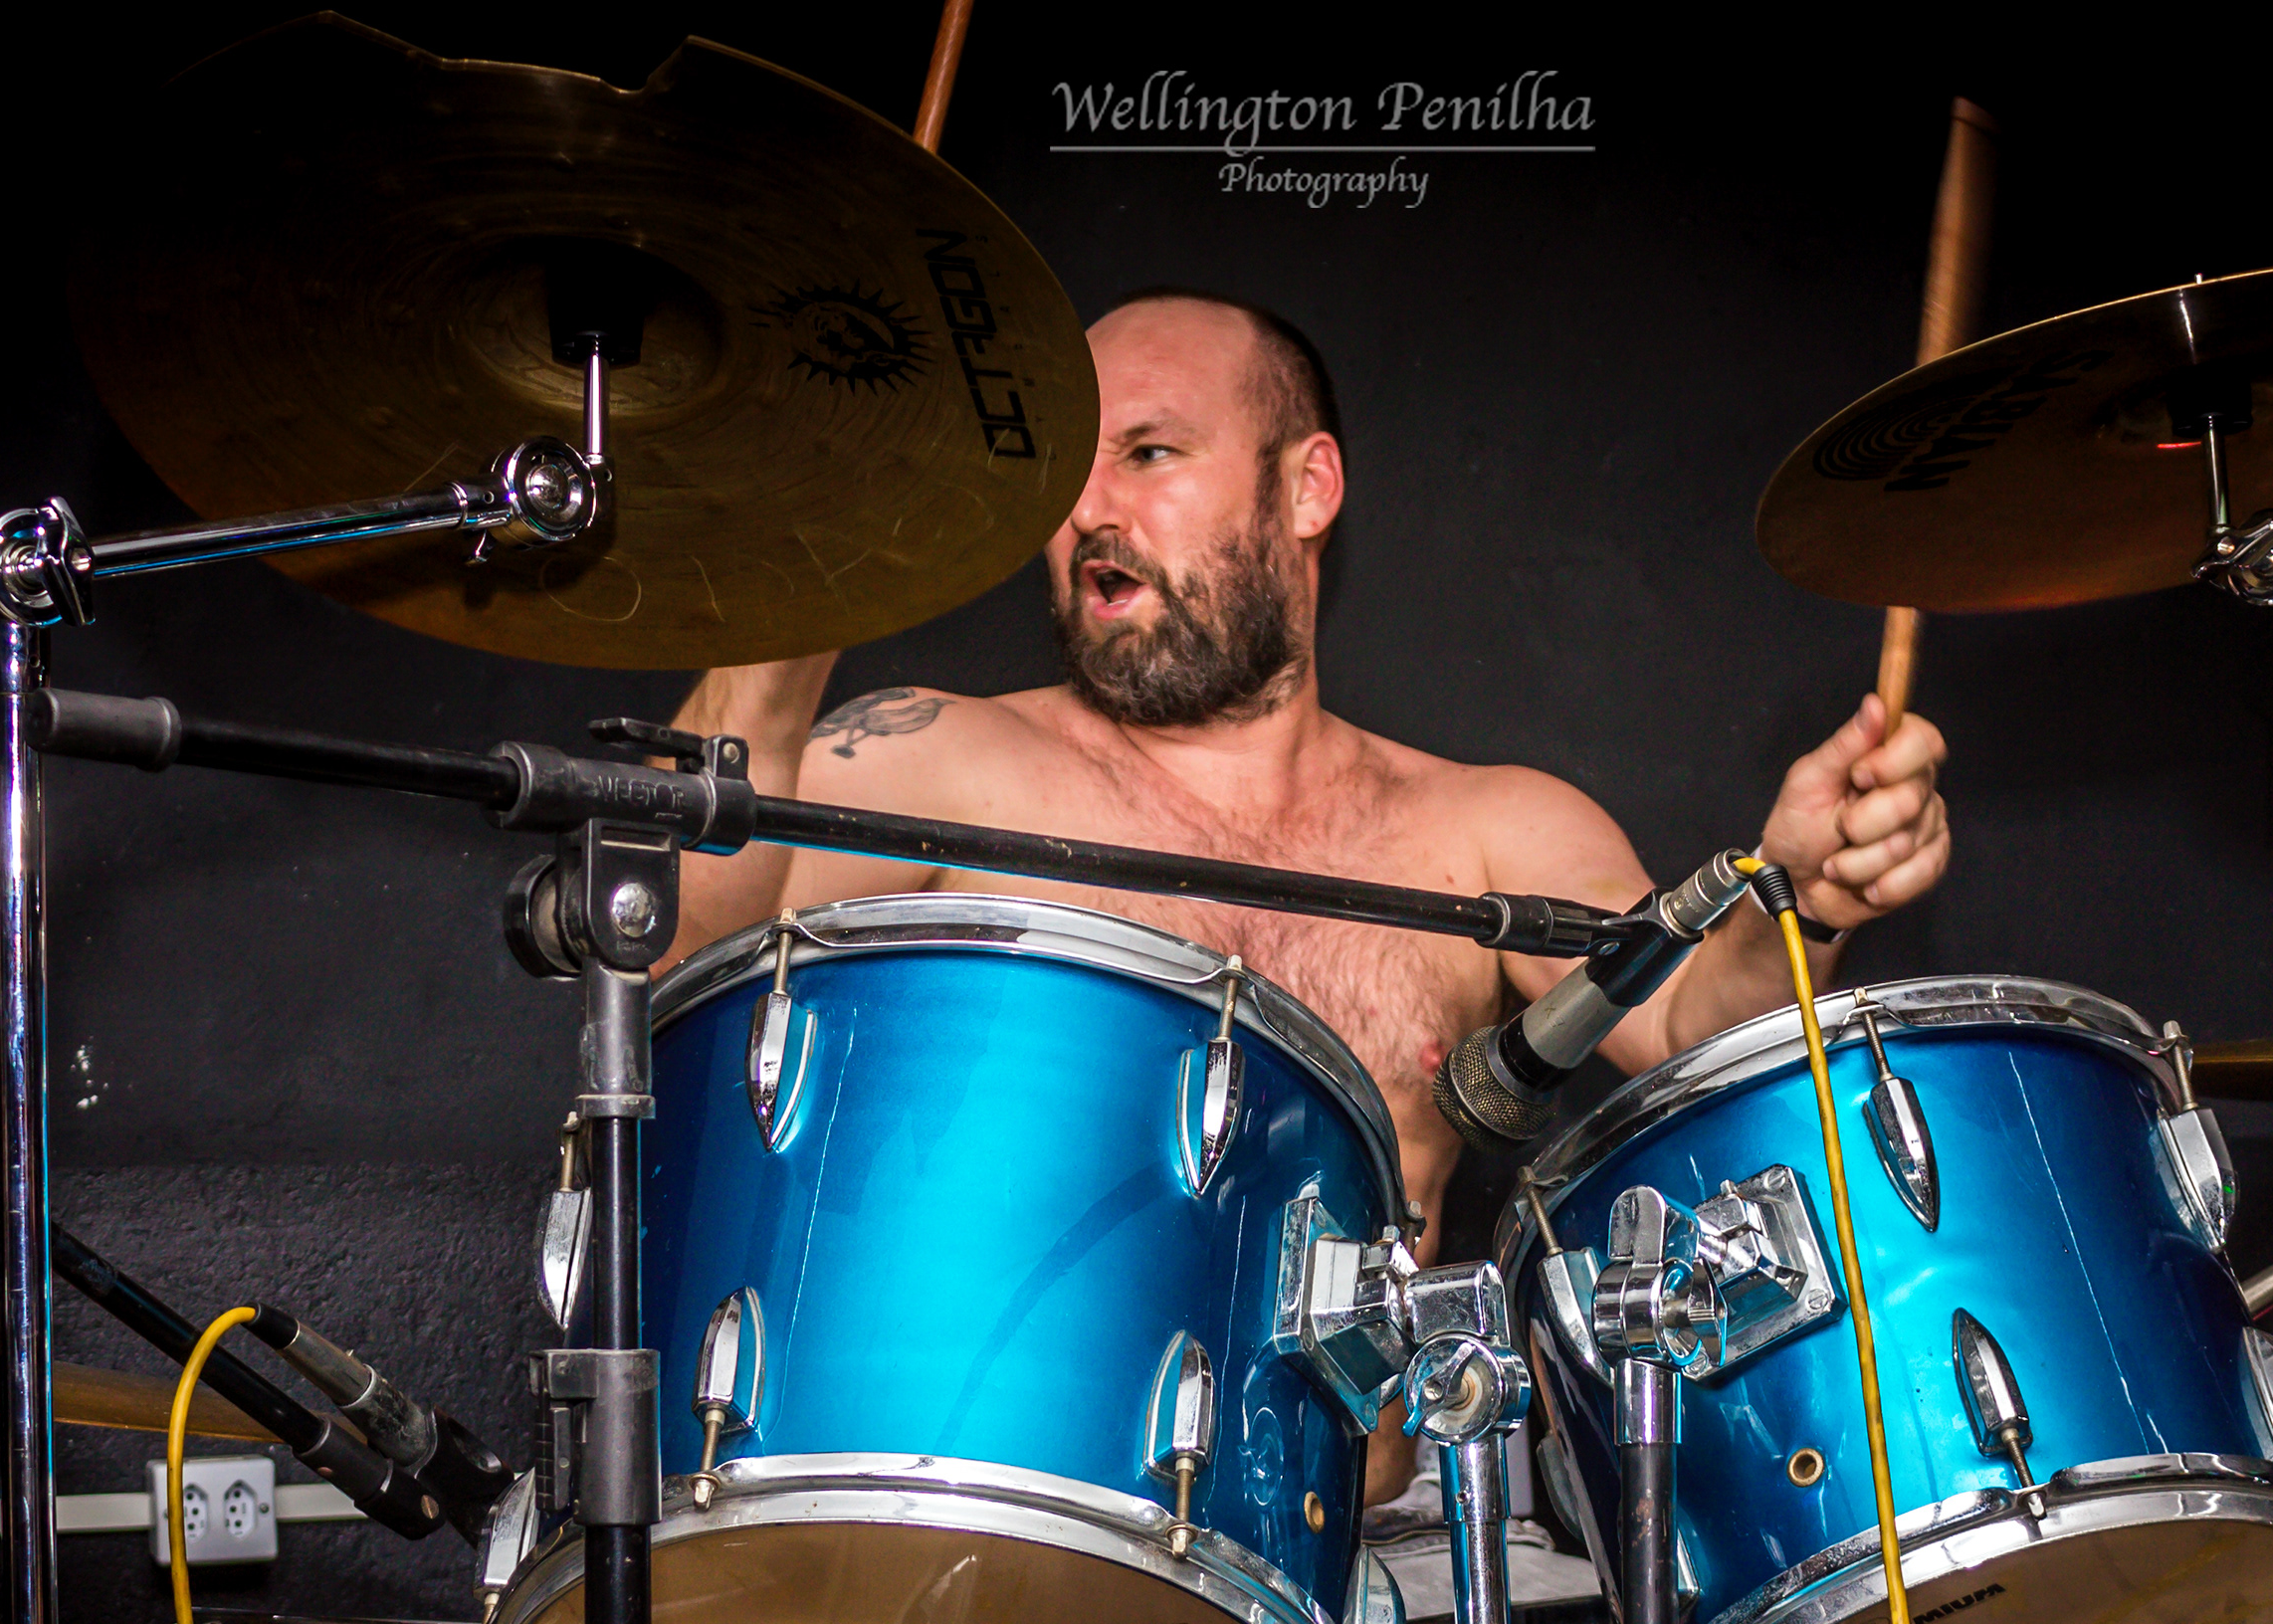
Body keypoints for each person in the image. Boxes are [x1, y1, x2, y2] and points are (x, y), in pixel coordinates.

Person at [664, 289, 1953, 1496]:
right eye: (1064, 479)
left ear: (1307, 486)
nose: (1090, 512)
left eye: (1150, 454)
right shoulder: (940, 756)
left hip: (1354, 1576)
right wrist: (774, 647)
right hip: (964, 1505)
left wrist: (1803, 893)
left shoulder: (1483, 829)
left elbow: (1693, 1031)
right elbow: (665, 947)